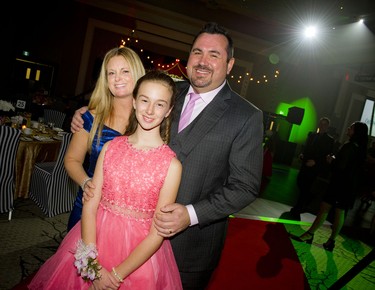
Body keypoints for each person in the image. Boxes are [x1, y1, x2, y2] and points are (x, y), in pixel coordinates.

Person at [72, 22, 263, 289]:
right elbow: (126, 101)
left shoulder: (246, 116)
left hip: (191, 246)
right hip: (128, 237)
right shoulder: (170, 91)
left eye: (214, 55)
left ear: (230, 64)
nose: (203, 61)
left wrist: (191, 214)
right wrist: (87, 113)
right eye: (197, 52)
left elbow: (245, 186)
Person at [28, 70, 183, 289]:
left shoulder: (172, 166)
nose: (149, 110)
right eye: (145, 100)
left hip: (138, 257)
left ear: (168, 111)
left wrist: (116, 276)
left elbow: (157, 234)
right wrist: (93, 267)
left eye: (159, 104)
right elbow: (90, 206)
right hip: (95, 240)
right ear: (135, 102)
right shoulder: (111, 148)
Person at [64, 46, 145, 231]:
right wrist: (86, 183)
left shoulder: (149, 120)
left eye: (125, 71)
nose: (117, 78)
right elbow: (72, 160)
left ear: (138, 74)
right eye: (111, 73)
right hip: (89, 205)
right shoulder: (90, 118)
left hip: (128, 213)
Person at [291, 121, 369, 252]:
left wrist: (331, 161)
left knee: (324, 208)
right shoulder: (360, 148)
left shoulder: (349, 146)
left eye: (351, 127)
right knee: (339, 212)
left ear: (356, 132)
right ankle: (330, 241)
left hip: (339, 185)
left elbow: (340, 167)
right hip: (348, 186)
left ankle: (309, 234)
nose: (348, 128)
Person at [290, 117, 334, 219]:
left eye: (324, 125)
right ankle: (303, 204)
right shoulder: (312, 135)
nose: (322, 126)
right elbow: (307, 148)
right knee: (300, 182)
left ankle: (299, 208)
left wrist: (316, 162)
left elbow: (327, 155)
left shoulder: (329, 140)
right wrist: (302, 155)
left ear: (327, 127)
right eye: (320, 124)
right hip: (305, 164)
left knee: (306, 187)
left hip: (315, 168)